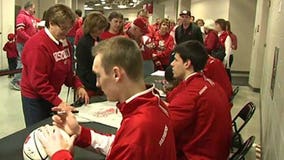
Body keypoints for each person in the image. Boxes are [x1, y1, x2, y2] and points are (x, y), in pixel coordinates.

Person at [38, 37, 177, 160]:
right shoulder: (156, 103)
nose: (97, 83)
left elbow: (129, 146)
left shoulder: (138, 130)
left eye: (99, 75)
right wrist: (79, 132)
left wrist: (60, 155)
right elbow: (120, 146)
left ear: (116, 74)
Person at [20, 4, 89, 127]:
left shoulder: (65, 42)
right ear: (51, 23)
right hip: (35, 99)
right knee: (39, 132)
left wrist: (78, 85)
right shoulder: (37, 46)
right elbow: (38, 82)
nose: (67, 32)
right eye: (63, 28)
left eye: (69, 28)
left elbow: (68, 71)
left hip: (51, 95)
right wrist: (59, 102)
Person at [167, 40, 232, 159]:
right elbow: (172, 98)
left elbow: (166, 128)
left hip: (198, 155)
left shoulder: (192, 93)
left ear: (187, 63)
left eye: (176, 60)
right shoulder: (206, 83)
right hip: (216, 151)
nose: (172, 64)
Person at [76, 12, 108, 97]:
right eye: (99, 28)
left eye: (103, 28)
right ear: (92, 27)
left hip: (100, 83)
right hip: (88, 85)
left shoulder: (100, 40)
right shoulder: (83, 43)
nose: (102, 30)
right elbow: (83, 69)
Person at [10, 1, 38, 90]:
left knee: (28, 62)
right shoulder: (21, 16)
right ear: (29, 8)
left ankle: (25, 80)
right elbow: (20, 31)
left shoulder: (31, 18)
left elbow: (36, 25)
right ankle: (16, 81)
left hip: (30, 43)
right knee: (22, 61)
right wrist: (30, 39)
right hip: (23, 43)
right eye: (33, 8)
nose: (34, 9)